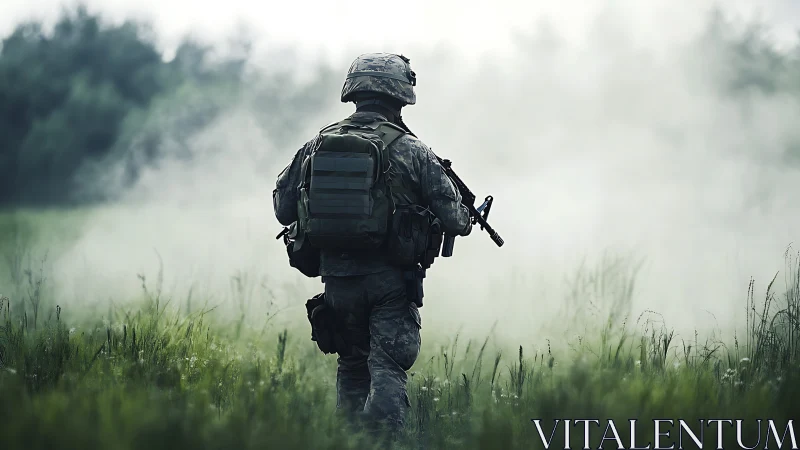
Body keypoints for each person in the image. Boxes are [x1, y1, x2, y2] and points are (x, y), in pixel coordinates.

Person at [272, 52, 472, 440]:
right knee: (387, 369)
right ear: (401, 96)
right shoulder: (413, 150)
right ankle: (381, 444)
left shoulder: (316, 144)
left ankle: (348, 442)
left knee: (350, 365)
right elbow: (454, 220)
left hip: (336, 280)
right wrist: (462, 216)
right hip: (390, 283)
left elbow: (283, 208)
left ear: (354, 91)